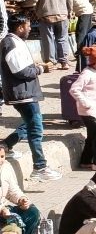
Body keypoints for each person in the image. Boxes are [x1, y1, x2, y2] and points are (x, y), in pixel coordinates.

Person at [1, 15, 62, 181]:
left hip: (26, 93)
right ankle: (40, 166)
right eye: (27, 26)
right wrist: (40, 70)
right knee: (36, 130)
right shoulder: (10, 43)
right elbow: (19, 71)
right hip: (22, 94)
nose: (29, 29)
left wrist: (37, 67)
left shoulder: (15, 42)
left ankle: (6, 145)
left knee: (32, 123)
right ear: (20, 27)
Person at [21, 0, 72, 70]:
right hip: (63, 14)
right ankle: (64, 63)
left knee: (48, 39)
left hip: (46, 15)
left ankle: (51, 64)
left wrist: (23, 4)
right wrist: (70, 11)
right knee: (62, 38)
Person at [0, 145, 42, 234]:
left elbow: (13, 190)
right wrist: (1, 209)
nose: (0, 160)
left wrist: (22, 199)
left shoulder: (6, 167)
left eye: (2, 156)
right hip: (2, 211)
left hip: (4, 210)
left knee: (32, 212)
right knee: (12, 227)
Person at [69, 46, 96, 170]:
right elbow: (74, 89)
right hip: (88, 110)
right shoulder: (86, 73)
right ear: (94, 61)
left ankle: (86, 161)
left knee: (92, 136)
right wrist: (85, 103)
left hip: (95, 109)